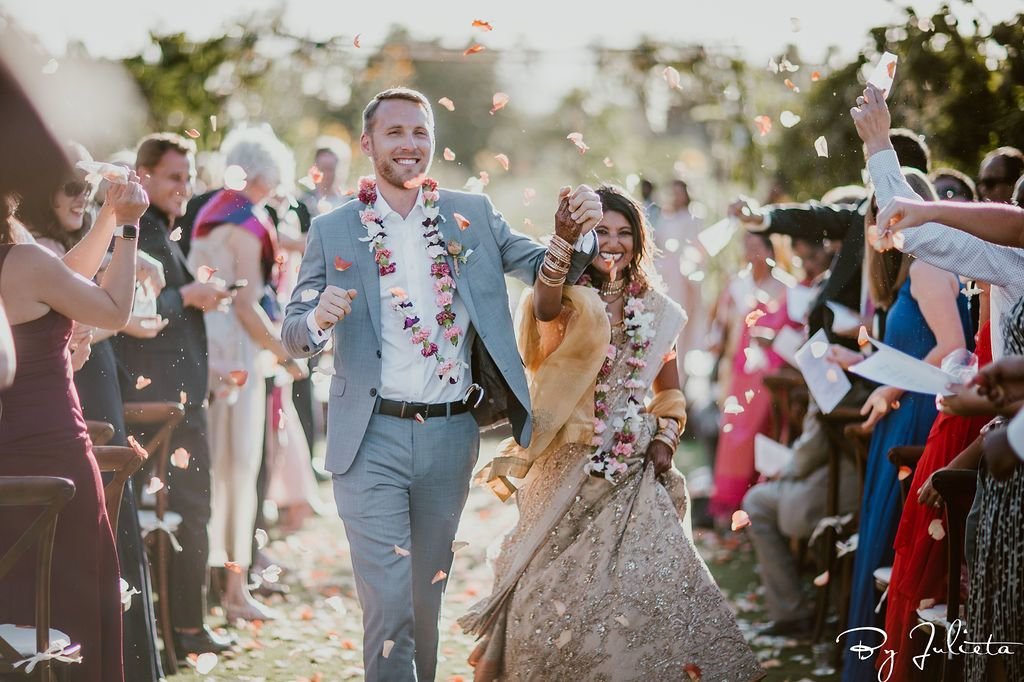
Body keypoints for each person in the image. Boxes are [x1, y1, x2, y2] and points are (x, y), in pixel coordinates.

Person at [281, 87, 603, 681]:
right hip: (367, 439)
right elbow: (293, 332)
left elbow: (544, 269)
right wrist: (318, 317)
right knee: (388, 604)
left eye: (420, 132)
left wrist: (572, 231)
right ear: (368, 143)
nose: (409, 144)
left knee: (423, 602)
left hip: (451, 436)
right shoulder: (332, 229)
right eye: (395, 132)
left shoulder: (470, 214)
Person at [459, 185, 764, 680]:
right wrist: (561, 241)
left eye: (624, 233)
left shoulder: (658, 311)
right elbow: (543, 308)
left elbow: (669, 394)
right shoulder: (569, 298)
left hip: (632, 468)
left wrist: (664, 439)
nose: (613, 242)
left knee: (630, 592)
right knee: (542, 589)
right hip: (562, 464)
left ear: (639, 242)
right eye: (601, 232)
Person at [0, 173, 149, 682]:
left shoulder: (28, 266)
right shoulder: (25, 262)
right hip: (54, 456)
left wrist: (106, 215)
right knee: (76, 607)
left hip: (8, 464)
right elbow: (114, 309)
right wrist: (128, 229)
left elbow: (61, 276)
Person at [827, 173, 972, 682]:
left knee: (896, 537)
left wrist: (888, 390)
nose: (879, 226)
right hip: (902, 405)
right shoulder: (911, 267)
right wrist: (863, 364)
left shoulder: (930, 266)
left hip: (919, 411)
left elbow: (954, 346)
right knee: (884, 531)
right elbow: (914, 347)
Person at [112, 132, 233, 658]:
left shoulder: (163, 228)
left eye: (188, 178)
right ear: (143, 176)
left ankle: (184, 624)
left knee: (189, 511)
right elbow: (128, 306)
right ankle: (184, 629)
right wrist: (188, 294)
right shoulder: (135, 230)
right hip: (161, 403)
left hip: (181, 396)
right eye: (173, 178)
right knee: (186, 510)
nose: (184, 188)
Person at [189, 124, 301, 621]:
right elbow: (247, 305)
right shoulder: (250, 221)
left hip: (204, 350)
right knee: (238, 470)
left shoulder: (211, 213)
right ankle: (234, 592)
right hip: (235, 356)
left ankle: (212, 585)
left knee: (214, 470)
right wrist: (285, 353)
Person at [709, 232, 799, 521]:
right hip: (738, 369)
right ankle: (729, 503)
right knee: (732, 431)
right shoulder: (737, 284)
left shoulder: (787, 287)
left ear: (772, 248)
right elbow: (720, 324)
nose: (750, 252)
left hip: (769, 374)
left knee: (761, 431)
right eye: (746, 246)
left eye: (756, 246)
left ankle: (755, 500)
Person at [653, 179, 705, 364]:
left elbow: (698, 249)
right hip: (664, 273)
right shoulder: (665, 217)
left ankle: (678, 367)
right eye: (673, 192)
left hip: (683, 276)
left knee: (679, 320)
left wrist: (692, 276)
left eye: (679, 192)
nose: (676, 196)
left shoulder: (692, 217)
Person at [301, 137, 352, 217]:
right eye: (323, 169)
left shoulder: (351, 203)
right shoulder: (304, 202)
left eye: (331, 169)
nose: (327, 174)